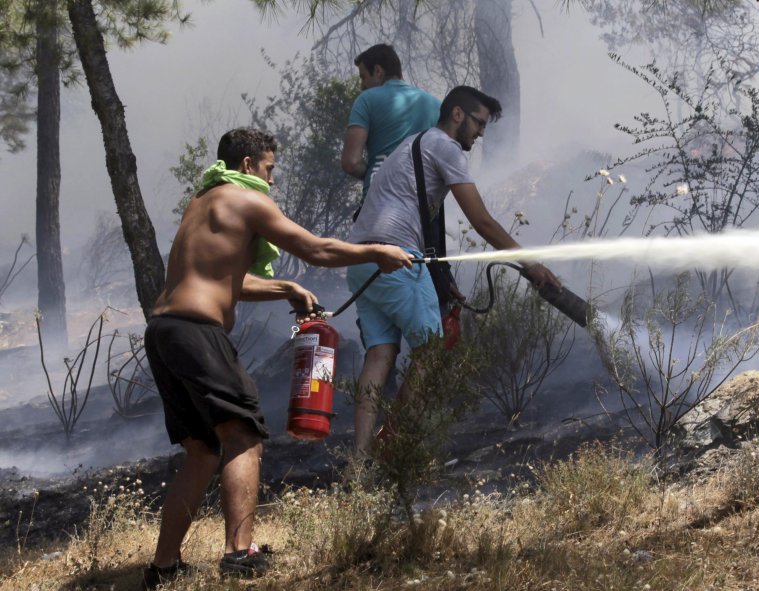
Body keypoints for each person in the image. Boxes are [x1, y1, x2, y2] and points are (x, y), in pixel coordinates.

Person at [142, 127, 412, 589]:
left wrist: (286, 287)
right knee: (244, 436)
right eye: (269, 169)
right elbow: (317, 249)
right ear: (248, 165)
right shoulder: (247, 200)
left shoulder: (203, 202)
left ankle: (163, 568)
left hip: (165, 331)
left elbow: (225, 281)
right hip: (198, 333)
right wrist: (376, 252)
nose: (272, 181)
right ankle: (240, 554)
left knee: (203, 451)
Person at [346, 86, 560, 460]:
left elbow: (419, 215)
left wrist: (442, 280)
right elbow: (482, 222)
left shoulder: (414, 144)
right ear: (457, 114)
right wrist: (531, 264)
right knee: (431, 348)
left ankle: (361, 462)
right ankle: (393, 452)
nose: (480, 133)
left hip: (363, 258)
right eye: (478, 123)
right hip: (397, 257)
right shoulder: (444, 147)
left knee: (379, 355)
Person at [341, 43, 441, 209]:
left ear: (378, 72)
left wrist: (381, 173)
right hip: (420, 208)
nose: (362, 86)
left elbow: (350, 162)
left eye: (363, 77)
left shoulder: (366, 100)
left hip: (378, 204)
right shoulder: (436, 105)